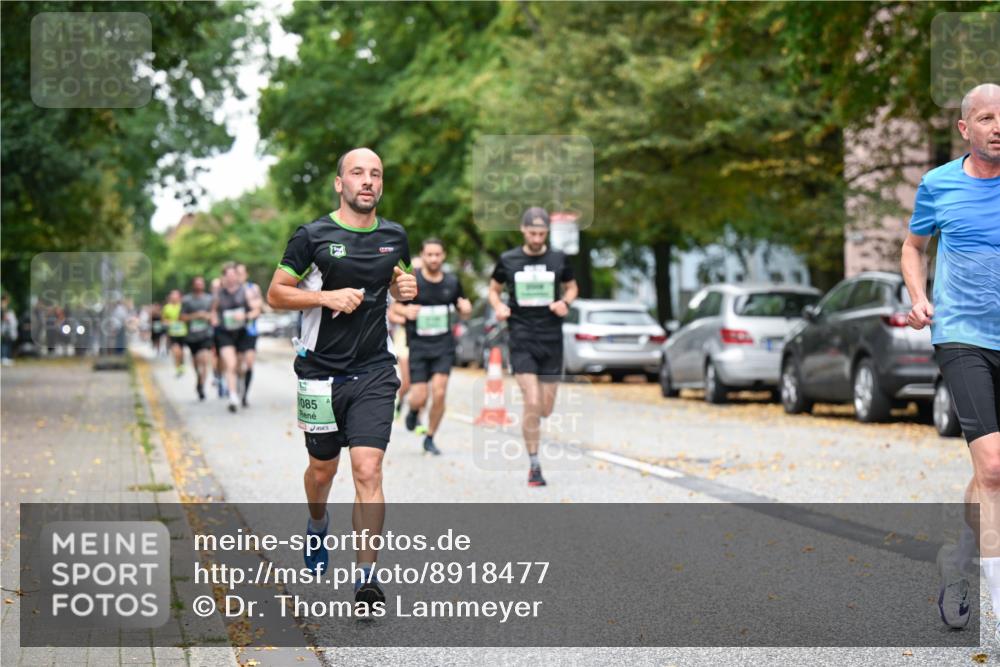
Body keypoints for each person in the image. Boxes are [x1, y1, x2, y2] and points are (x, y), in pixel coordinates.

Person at [266, 147, 417, 607]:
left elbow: (398, 280)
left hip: (374, 370)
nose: (367, 181)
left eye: (376, 174)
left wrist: (404, 287)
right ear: (340, 183)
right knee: (322, 469)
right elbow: (275, 293)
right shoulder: (312, 236)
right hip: (318, 374)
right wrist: (325, 298)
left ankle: (366, 576)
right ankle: (316, 524)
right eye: (357, 173)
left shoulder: (394, 236)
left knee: (368, 469)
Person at [901, 83, 1000, 637]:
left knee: (992, 476)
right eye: (986, 118)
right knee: (993, 467)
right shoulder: (938, 184)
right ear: (966, 128)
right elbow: (913, 247)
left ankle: (959, 560)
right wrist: (919, 297)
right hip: (962, 335)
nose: (997, 127)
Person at [488, 207, 578, 487]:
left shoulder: (558, 258)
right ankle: (534, 464)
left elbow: (572, 287)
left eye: (542, 233)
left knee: (546, 409)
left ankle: (532, 424)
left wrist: (565, 302)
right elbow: (493, 289)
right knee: (533, 401)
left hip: (551, 339)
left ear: (547, 232)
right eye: (532, 233)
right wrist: (499, 306)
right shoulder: (509, 259)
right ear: (523, 230)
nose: (537, 238)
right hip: (522, 338)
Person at [394, 239, 472, 455]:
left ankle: (430, 437)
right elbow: (393, 311)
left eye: (438, 254)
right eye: (429, 254)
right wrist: (405, 312)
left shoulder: (452, 282)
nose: (434, 259)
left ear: (443, 255)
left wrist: (466, 309)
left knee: (439, 393)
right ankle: (413, 409)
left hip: (443, 347)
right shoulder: (413, 281)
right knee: (419, 395)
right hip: (418, 346)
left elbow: (463, 308)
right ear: (423, 255)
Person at [212, 263, 262, 413]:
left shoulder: (246, 291)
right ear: (224, 277)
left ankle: (239, 387)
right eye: (228, 275)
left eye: (234, 275)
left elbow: (256, 311)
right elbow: (213, 311)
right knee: (231, 364)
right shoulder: (219, 294)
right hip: (225, 333)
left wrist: (245, 315)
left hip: (242, 332)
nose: (231, 278)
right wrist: (214, 320)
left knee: (241, 366)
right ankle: (233, 396)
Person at [180, 276, 214, 401]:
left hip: (206, 335)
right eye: (197, 283)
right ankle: (199, 380)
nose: (199, 285)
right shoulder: (187, 300)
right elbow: (182, 318)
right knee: (196, 364)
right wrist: (195, 316)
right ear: (193, 285)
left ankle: (202, 386)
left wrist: (207, 316)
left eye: (201, 283)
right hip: (192, 337)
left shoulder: (210, 299)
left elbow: (214, 315)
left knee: (204, 360)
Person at [236, 263, 263, 405]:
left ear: (246, 274)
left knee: (249, 364)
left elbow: (258, 308)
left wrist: (247, 315)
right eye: (236, 273)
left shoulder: (253, 288)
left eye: (241, 273)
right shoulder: (230, 290)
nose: (239, 276)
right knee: (238, 365)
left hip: (250, 331)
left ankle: (244, 395)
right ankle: (237, 386)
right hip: (234, 332)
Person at [161, 290, 187, 376]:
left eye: (175, 295)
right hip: (172, 333)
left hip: (183, 332)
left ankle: (182, 364)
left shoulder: (183, 306)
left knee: (181, 351)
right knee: (176, 351)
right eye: (172, 295)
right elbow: (163, 320)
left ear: (179, 297)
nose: (173, 297)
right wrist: (169, 322)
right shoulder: (166, 307)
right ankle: (178, 367)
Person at [1, 294, 18, 366]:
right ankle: (3, 357)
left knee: (7, 342)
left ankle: (7, 357)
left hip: (6, 327)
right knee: (5, 343)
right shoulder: (2, 306)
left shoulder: (4, 306)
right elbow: (3, 316)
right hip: (3, 327)